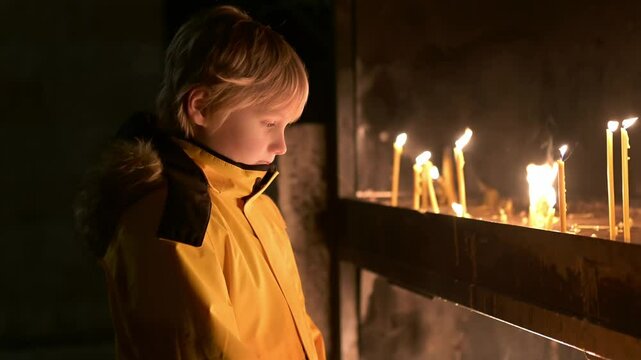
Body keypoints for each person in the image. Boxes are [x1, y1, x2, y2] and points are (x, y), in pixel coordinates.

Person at [75, 5, 325, 359]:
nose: (281, 145)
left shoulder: (256, 205)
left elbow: (299, 326)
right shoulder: (175, 219)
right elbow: (202, 349)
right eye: (270, 123)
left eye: (287, 126)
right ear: (202, 107)